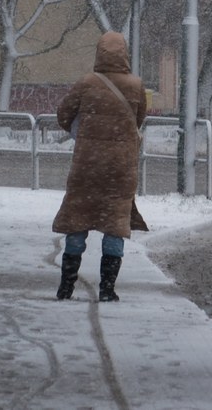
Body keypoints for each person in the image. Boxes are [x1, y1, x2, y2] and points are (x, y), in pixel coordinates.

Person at [52, 32, 149, 302]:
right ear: (124, 54)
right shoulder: (136, 85)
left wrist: (85, 131)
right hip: (120, 168)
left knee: (77, 220)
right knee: (115, 223)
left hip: (87, 164)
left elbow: (63, 115)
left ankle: (66, 286)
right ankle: (107, 288)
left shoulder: (87, 82)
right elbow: (138, 120)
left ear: (99, 53)